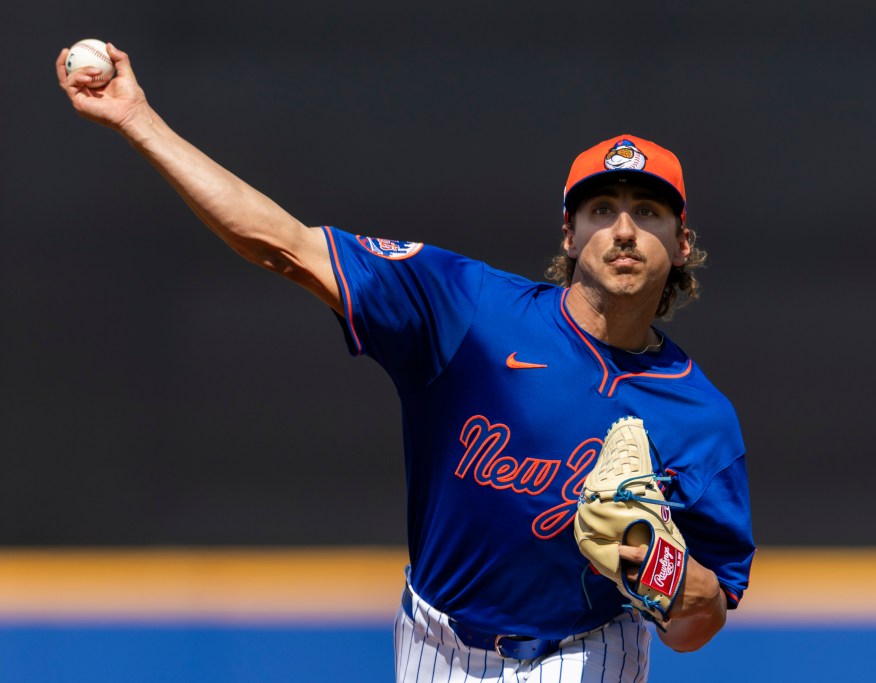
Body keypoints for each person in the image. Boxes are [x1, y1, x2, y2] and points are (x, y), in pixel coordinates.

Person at [57, 42, 755, 682]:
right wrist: (138, 120)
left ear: (681, 243)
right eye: (602, 209)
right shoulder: (469, 309)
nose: (624, 229)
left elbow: (700, 623)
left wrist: (663, 573)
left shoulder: (701, 419)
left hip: (588, 652)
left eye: (649, 212)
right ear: (569, 234)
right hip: (436, 647)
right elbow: (287, 246)